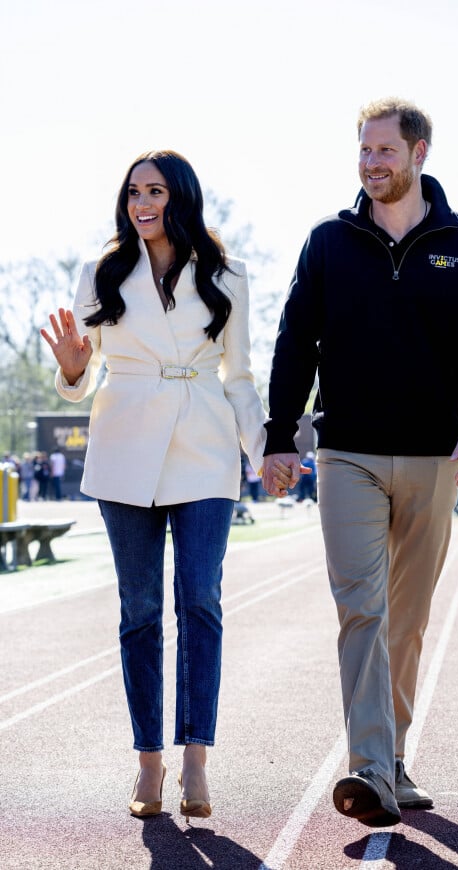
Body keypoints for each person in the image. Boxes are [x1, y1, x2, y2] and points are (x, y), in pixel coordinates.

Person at [261, 97, 458, 828]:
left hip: (437, 457)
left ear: (418, 154)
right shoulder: (328, 242)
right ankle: (369, 770)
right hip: (347, 455)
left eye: (384, 151)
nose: (372, 163)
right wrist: (282, 435)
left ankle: (393, 758)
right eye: (364, 152)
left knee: (406, 621)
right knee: (362, 610)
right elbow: (293, 343)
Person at [41, 150, 290, 820]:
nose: (141, 204)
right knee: (140, 612)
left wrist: (265, 452)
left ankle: (196, 759)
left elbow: (239, 379)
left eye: (154, 192)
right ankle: (148, 763)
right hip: (123, 450)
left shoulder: (229, 274)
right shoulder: (103, 269)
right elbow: (81, 376)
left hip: (205, 451)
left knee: (201, 603)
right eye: (132, 193)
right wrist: (70, 370)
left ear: (180, 197)